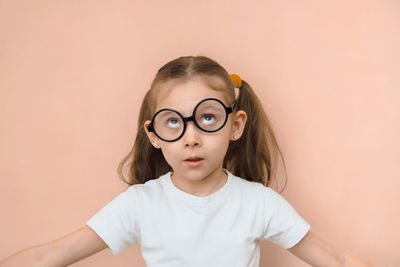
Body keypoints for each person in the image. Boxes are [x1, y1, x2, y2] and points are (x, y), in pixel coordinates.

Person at [0, 55, 371, 267]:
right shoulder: (141, 204)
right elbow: (54, 253)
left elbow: (335, 260)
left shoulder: (258, 203)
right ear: (155, 135)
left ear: (235, 125)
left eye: (207, 118)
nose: (191, 138)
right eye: (173, 122)